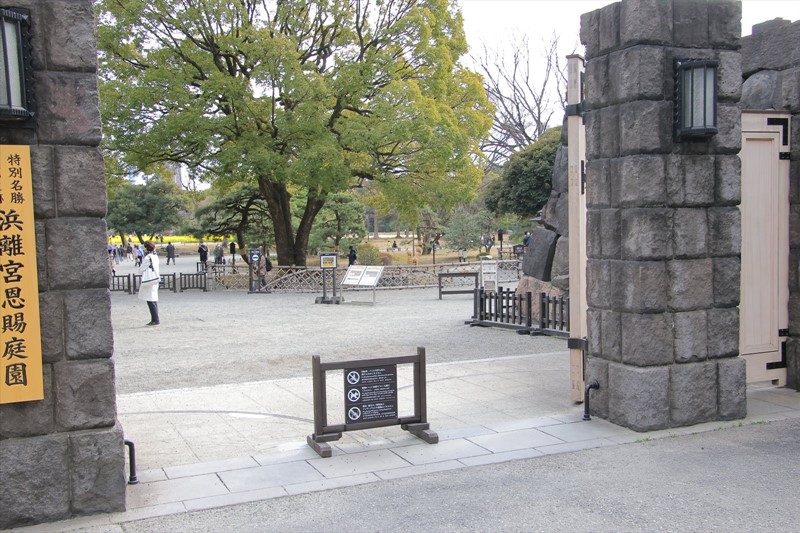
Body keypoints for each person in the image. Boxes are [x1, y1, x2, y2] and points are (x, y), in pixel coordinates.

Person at [138, 241, 160, 326]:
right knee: (153, 299)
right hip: (155, 278)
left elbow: (141, 270)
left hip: (149, 280)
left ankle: (155, 319)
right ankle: (155, 319)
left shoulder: (148, 257)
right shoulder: (155, 256)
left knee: (150, 300)